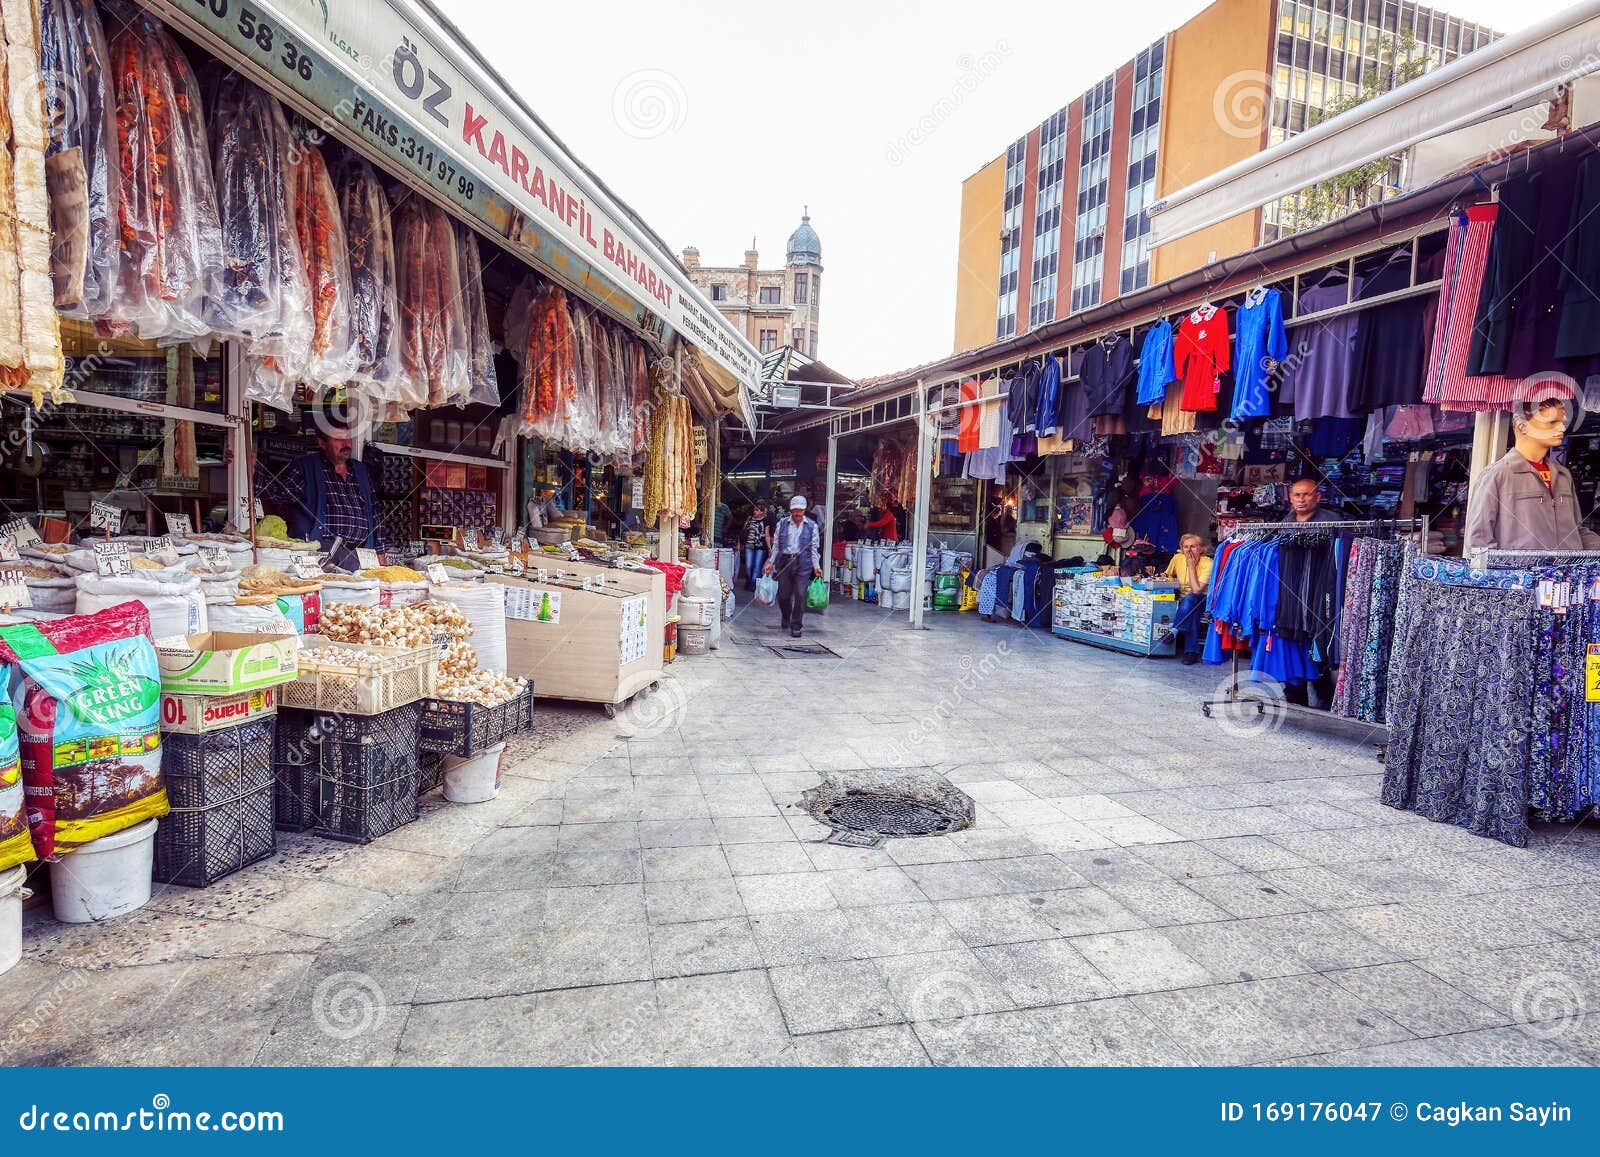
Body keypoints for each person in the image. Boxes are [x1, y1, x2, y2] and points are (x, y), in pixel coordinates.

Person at [1465, 394, 1600, 550]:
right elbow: (1478, 540)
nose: (1562, 428)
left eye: (1561, 422)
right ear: (1522, 427)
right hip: (1523, 573)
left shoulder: (1563, 475)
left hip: (1566, 572)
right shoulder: (1498, 475)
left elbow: (1577, 531)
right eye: (1552, 422)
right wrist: (1507, 573)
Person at [286, 415, 384, 557]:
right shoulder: (304, 467)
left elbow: (375, 513)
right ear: (322, 443)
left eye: (348, 438)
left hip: (359, 553)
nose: (346, 444)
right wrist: (252, 473)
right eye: (338, 438)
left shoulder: (361, 470)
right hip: (319, 551)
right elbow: (278, 494)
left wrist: (380, 551)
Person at [765, 495, 821, 637]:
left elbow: (814, 548)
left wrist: (816, 566)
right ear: (791, 510)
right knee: (783, 596)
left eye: (800, 511)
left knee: (800, 594)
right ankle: (786, 616)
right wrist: (770, 562)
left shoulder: (812, 526)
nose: (797, 514)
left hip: (803, 563)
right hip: (785, 562)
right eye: (795, 510)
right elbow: (776, 545)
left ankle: (796, 625)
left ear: (804, 510)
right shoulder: (782, 524)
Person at [1164, 533, 1214, 665]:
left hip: (1203, 600)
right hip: (1184, 602)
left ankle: (1175, 630)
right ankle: (1191, 652)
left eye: (1193, 546)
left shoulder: (1208, 563)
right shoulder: (1177, 558)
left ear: (1201, 549)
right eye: (1185, 547)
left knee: (1191, 598)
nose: (1188, 550)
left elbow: (1197, 590)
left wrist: (1191, 566)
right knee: (1192, 612)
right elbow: (1168, 575)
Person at [741, 498, 774, 591]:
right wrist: (741, 542)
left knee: (757, 566)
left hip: (761, 547)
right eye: (754, 510)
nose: (754, 512)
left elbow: (767, 535)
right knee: (748, 565)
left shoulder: (766, 521)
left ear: (762, 512)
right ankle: (749, 581)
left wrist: (770, 548)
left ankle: (753, 585)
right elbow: (743, 531)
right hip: (749, 545)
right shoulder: (749, 519)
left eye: (757, 510)